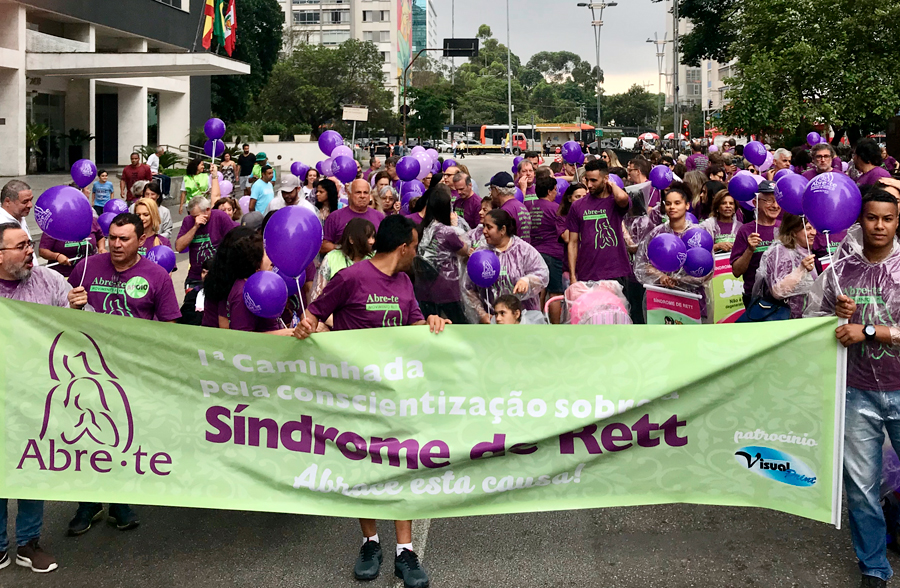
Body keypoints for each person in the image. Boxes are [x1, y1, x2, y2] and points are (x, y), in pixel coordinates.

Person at [293, 215, 449, 588]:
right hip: (355, 395)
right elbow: (314, 312)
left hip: (396, 395)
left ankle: (405, 553)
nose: (416, 253)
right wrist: (305, 325)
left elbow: (411, 324)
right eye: (414, 246)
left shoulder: (405, 282)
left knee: (402, 464)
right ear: (403, 248)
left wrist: (431, 323)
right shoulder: (351, 278)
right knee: (363, 468)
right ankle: (370, 543)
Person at [803, 189, 900, 588]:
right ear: (860, 221)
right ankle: (873, 567)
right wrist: (833, 316)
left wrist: (870, 331)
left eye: (887, 219)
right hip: (856, 392)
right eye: (872, 218)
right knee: (860, 488)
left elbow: (870, 332)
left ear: (897, 221)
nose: (879, 226)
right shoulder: (841, 269)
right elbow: (810, 319)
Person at [64, 213, 180, 537]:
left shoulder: (157, 277)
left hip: (132, 373)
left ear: (141, 241)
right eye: (112, 237)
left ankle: (119, 502)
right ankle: (87, 504)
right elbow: (60, 320)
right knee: (87, 438)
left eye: (124, 239)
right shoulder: (87, 268)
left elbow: (170, 330)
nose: (115, 244)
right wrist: (72, 306)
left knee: (125, 438)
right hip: (88, 371)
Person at [0, 222, 87, 573]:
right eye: (21, 246)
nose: (30, 251)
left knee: (31, 468)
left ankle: (29, 543)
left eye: (29, 243)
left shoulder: (50, 283)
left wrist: (77, 308)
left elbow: (77, 334)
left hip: (38, 398)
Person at [201, 226, 293, 334]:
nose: (271, 258)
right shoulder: (243, 292)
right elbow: (242, 337)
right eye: (265, 253)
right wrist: (280, 334)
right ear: (254, 260)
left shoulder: (255, 285)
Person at [634, 183, 709, 312]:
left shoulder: (698, 234)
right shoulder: (656, 233)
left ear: (687, 205)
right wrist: (661, 277)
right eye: (668, 204)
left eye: (677, 203)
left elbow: (706, 269)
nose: (672, 207)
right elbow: (642, 263)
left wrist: (680, 281)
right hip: (661, 296)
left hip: (691, 297)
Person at [466, 209, 548, 323]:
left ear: (502, 229)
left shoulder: (523, 250)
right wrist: (482, 314)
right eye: (484, 226)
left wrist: (527, 280)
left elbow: (543, 274)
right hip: (494, 320)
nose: (484, 231)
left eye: (489, 227)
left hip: (524, 319)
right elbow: (469, 288)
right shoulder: (480, 254)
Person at [566, 159, 631, 284]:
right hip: (587, 273)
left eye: (594, 180)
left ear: (605, 178)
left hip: (615, 273)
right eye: (587, 179)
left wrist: (611, 185)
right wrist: (573, 276)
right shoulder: (578, 206)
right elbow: (573, 243)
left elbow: (623, 198)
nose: (589, 185)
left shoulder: (614, 201)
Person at [414, 185, 469, 324]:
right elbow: (465, 250)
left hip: (424, 289)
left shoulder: (421, 228)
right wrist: (455, 226)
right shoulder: (447, 232)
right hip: (447, 290)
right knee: (458, 327)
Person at [752, 213, 817, 319]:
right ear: (794, 231)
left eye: (814, 228)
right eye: (808, 228)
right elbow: (778, 291)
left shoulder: (803, 250)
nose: (813, 232)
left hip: (802, 318)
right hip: (784, 319)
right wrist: (801, 269)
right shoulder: (780, 251)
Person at [730, 181, 782, 308]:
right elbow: (736, 271)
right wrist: (749, 250)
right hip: (755, 298)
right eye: (769, 201)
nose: (775, 205)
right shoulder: (746, 230)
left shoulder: (785, 228)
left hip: (783, 296)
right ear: (755, 203)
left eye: (777, 200)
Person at [176, 196, 238, 291]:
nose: (195, 219)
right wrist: (195, 227)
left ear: (208, 210)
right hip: (195, 276)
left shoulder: (219, 216)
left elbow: (234, 239)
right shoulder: (188, 221)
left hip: (217, 275)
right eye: (192, 216)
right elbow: (179, 247)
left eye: (197, 216)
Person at [528, 175, 566, 323]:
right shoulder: (555, 209)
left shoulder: (530, 207)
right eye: (555, 190)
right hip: (552, 254)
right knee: (555, 293)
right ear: (550, 191)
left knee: (538, 291)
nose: (556, 193)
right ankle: (555, 326)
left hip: (535, 253)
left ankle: (538, 322)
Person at [311, 218, 375, 302]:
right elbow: (318, 294)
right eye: (367, 237)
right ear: (351, 239)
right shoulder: (332, 258)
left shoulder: (376, 258)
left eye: (373, 237)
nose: (372, 241)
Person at [321, 179, 384, 254]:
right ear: (349, 194)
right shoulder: (335, 217)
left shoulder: (379, 217)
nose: (362, 196)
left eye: (365, 193)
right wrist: (343, 248)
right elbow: (323, 246)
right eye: (358, 192)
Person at [38, 213, 104, 278]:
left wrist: (101, 248)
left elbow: (100, 237)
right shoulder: (54, 224)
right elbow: (42, 250)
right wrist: (57, 256)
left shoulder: (91, 221)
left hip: (89, 273)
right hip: (62, 275)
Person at [488, 172, 532, 244]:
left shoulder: (504, 212)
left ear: (496, 190)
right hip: (524, 251)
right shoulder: (522, 206)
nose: (490, 193)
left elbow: (501, 239)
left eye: (491, 189)